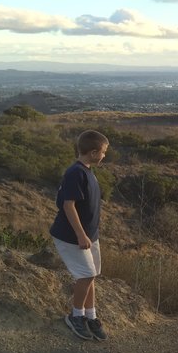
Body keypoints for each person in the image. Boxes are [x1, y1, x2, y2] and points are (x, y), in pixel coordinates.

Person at [50, 130, 109, 341]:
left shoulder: (87, 171)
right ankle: (75, 316)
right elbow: (68, 206)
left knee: (91, 275)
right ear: (93, 152)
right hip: (72, 236)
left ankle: (90, 316)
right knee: (86, 275)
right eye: (103, 152)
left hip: (89, 236)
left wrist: (90, 235)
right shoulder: (76, 172)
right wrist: (81, 235)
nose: (104, 155)